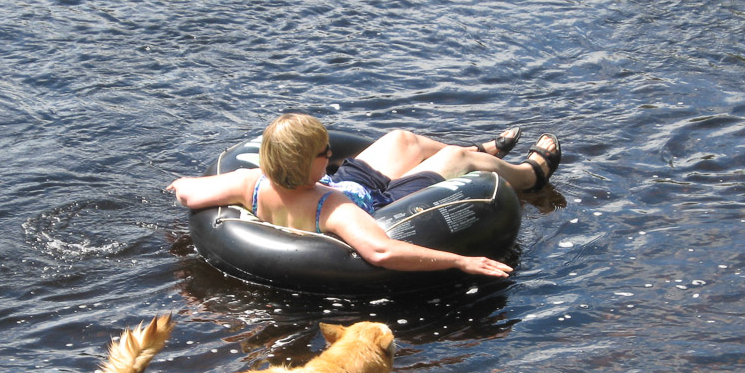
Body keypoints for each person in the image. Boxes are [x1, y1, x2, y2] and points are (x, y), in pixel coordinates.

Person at [166, 114, 561, 278]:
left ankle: (483, 152)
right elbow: (382, 252)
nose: (330, 155)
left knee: (400, 139)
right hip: (378, 203)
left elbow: (189, 193)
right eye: (325, 154)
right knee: (455, 158)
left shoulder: (252, 183)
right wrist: (461, 260)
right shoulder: (332, 208)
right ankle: (528, 176)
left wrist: (178, 185)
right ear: (309, 165)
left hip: (345, 185)